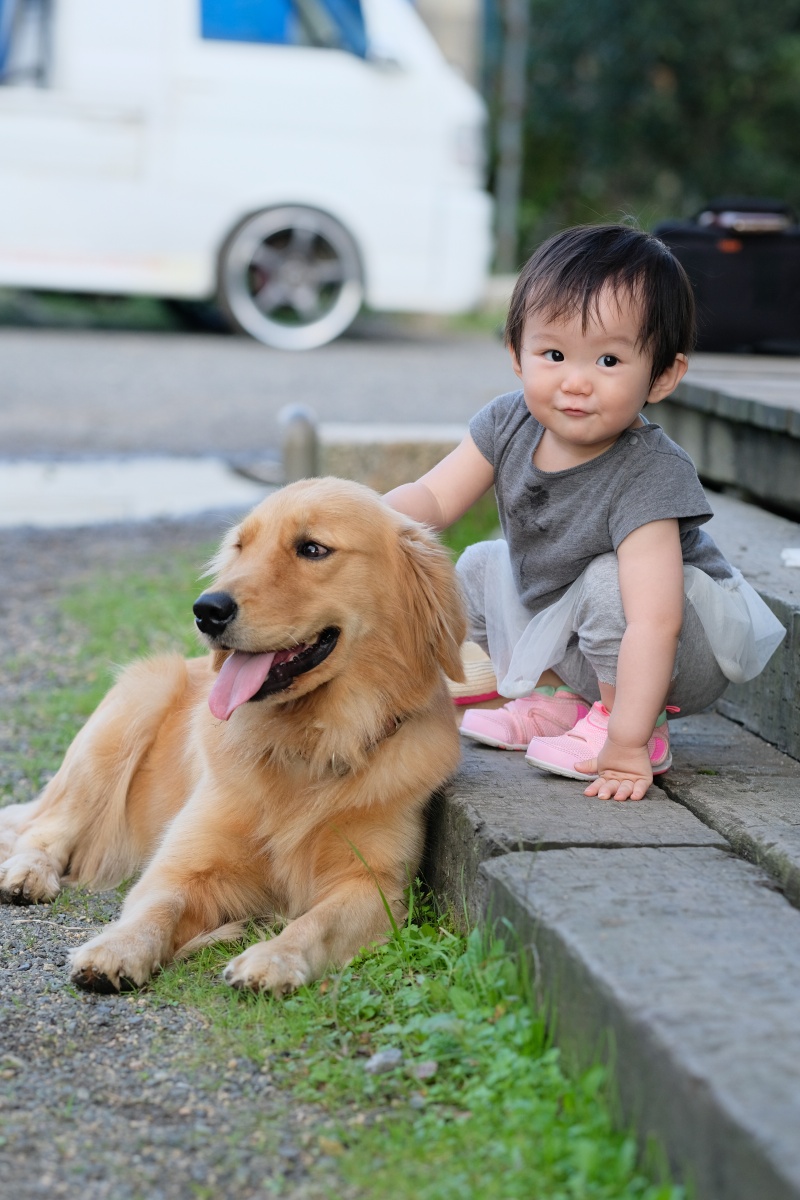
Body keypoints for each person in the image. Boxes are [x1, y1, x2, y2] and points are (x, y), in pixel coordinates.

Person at [384, 224, 785, 802]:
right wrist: (367, 517)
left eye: (607, 359)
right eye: (553, 354)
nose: (575, 381)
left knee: (605, 580)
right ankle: (557, 701)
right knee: (478, 565)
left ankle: (630, 724)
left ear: (663, 376)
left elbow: (654, 621)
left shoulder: (649, 471)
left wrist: (626, 743)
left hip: (681, 646)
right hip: (584, 624)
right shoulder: (508, 422)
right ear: (517, 356)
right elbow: (433, 498)